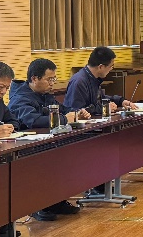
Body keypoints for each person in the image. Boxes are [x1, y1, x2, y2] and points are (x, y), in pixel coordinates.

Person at [9, 58, 87, 220]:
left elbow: (63, 109)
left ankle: (56, 201)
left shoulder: (45, 95)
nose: (52, 83)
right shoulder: (20, 98)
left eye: (54, 79)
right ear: (34, 79)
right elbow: (33, 121)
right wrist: (64, 119)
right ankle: (37, 206)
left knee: (67, 156)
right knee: (45, 163)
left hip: (48, 142)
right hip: (27, 148)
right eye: (49, 79)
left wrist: (77, 112)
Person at [64, 46, 140, 117]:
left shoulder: (94, 78)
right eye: (111, 66)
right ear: (101, 67)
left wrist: (121, 101)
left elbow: (101, 99)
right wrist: (104, 108)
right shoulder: (79, 82)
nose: (111, 69)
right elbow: (76, 111)